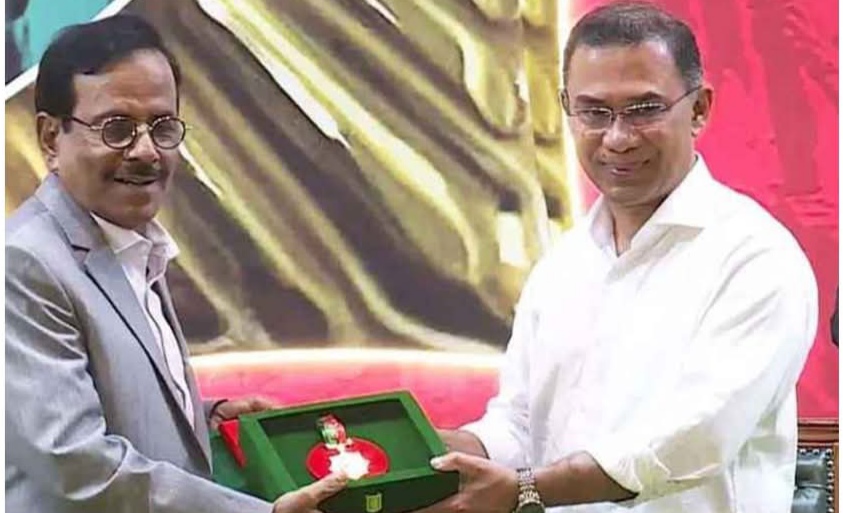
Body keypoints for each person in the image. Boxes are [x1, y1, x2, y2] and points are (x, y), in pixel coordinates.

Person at [425, 2, 818, 513]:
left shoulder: (755, 259)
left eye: (644, 109)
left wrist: (526, 491)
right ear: (567, 109)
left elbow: (694, 438)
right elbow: (519, 425)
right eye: (594, 112)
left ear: (699, 109)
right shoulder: (561, 267)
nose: (617, 137)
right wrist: (424, 452)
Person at [5, 15, 346, 513]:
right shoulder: (24, 264)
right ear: (52, 138)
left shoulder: (129, 243)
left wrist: (201, 417)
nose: (146, 151)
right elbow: (78, 464)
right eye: (117, 128)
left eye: (163, 127)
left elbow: (107, 405)